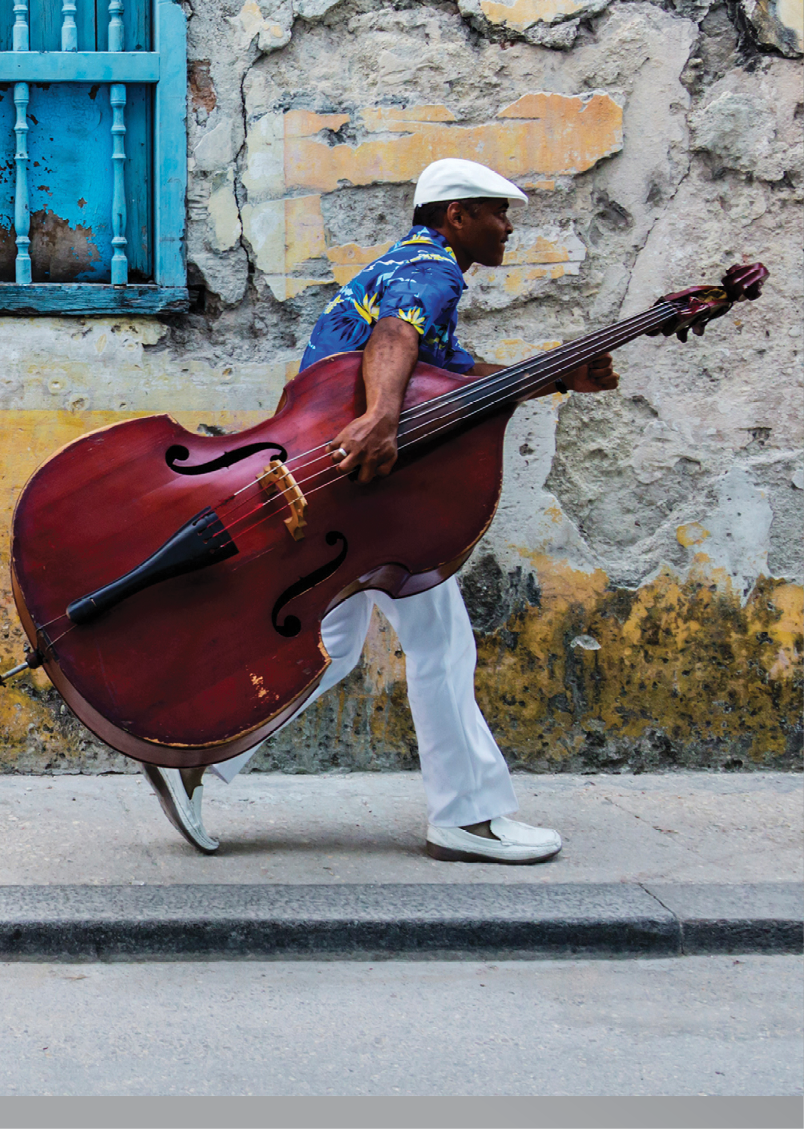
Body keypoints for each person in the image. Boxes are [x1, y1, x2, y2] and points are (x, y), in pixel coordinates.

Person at [143, 158, 618, 861]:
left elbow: (451, 382)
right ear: (455, 216)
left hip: (342, 494)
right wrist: (382, 422)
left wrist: (558, 379)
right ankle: (468, 816)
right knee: (441, 645)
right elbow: (394, 338)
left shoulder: (408, 269)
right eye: (495, 212)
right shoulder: (432, 269)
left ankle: (197, 757)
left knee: (331, 649)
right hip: (370, 496)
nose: (507, 226)